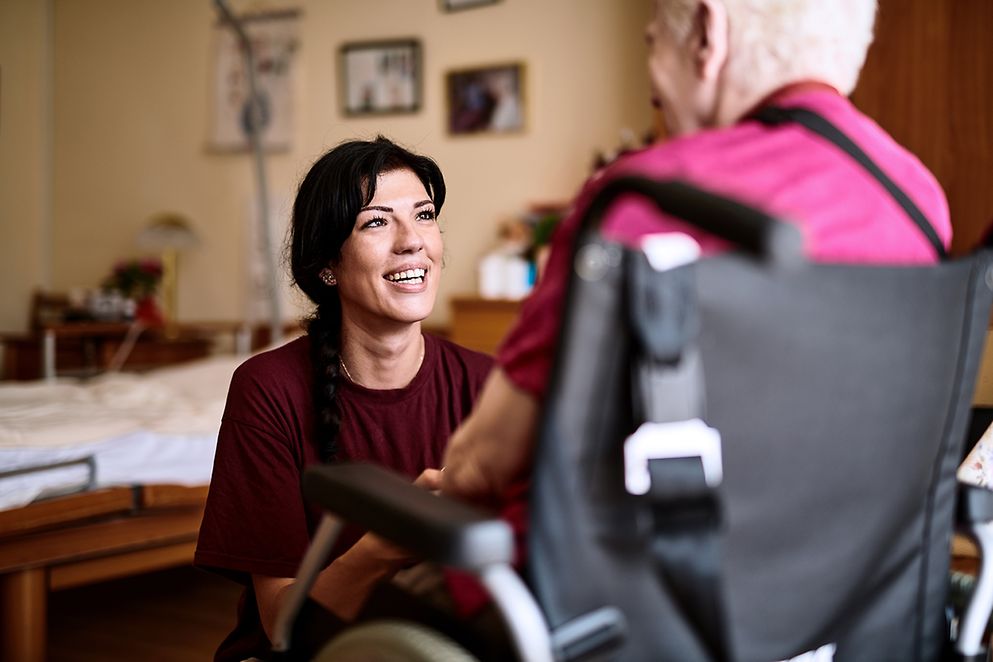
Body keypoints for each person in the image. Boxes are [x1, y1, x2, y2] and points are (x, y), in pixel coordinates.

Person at [441, 0, 950, 505]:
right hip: (852, 575)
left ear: (707, 35)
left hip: (631, 576)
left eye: (654, 41)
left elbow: (482, 464)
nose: (654, 84)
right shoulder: (918, 200)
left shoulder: (641, 198)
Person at [194, 136, 494, 661]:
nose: (412, 242)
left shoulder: (488, 383)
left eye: (423, 216)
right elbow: (282, 626)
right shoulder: (268, 390)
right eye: (377, 222)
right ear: (326, 265)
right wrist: (390, 540)